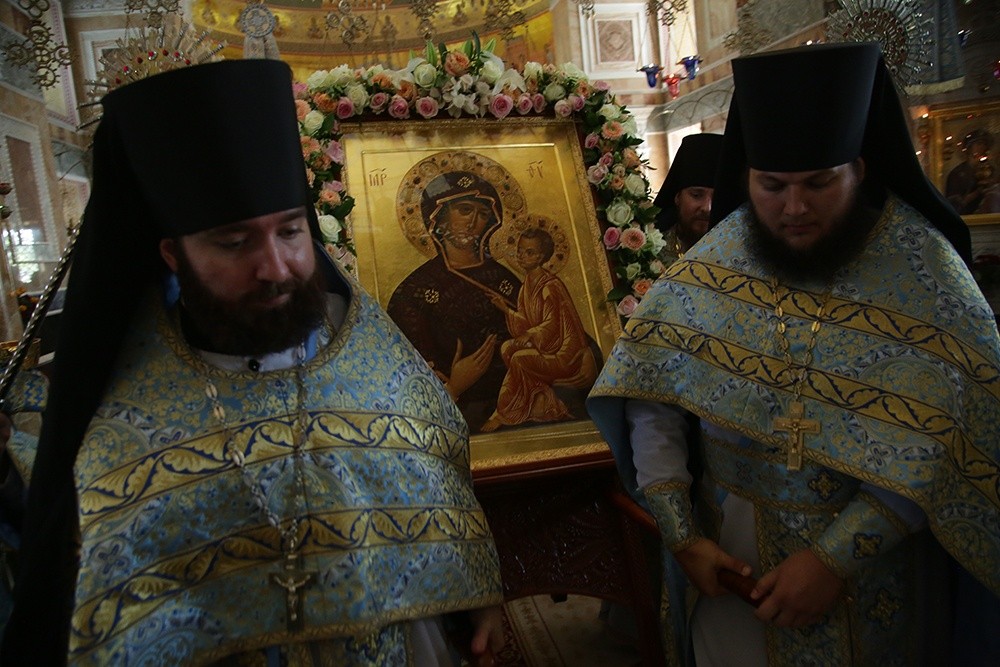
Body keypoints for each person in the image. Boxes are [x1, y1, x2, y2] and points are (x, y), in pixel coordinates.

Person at [0, 59, 504, 665]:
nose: (276, 267)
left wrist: (475, 589)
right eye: (235, 243)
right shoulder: (117, 407)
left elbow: (440, 476)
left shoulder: (372, 357)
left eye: (290, 232)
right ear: (173, 255)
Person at [588, 42, 1000, 666]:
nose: (794, 207)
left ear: (858, 169)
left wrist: (836, 558)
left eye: (819, 183)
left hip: (876, 579)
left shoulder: (927, 274)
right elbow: (654, 395)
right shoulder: (713, 265)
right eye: (772, 186)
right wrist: (681, 533)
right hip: (729, 569)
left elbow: (949, 436)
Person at [387, 161, 523, 434]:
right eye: (464, 210)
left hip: (518, 407)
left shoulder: (506, 280)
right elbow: (401, 373)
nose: (473, 222)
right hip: (451, 422)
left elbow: (549, 327)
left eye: (483, 213)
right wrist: (455, 385)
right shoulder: (414, 291)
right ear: (438, 216)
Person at [481, 221, 598, 432]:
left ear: (541, 257)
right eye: (519, 251)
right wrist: (505, 309)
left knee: (519, 359)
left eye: (529, 252)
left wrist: (530, 335)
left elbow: (552, 324)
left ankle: (503, 413)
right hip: (544, 347)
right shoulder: (526, 286)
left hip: (563, 353)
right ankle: (541, 400)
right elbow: (526, 322)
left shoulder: (550, 286)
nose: (521, 256)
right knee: (506, 348)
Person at [652, 133, 724, 265]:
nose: (707, 208)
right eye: (696, 195)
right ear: (677, 197)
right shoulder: (650, 250)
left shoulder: (741, 255)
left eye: (717, 198)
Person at [946, 128, 997, 215]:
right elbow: (954, 204)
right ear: (969, 147)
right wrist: (978, 192)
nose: (982, 147)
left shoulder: (990, 170)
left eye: (984, 144)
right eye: (979, 144)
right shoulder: (957, 173)